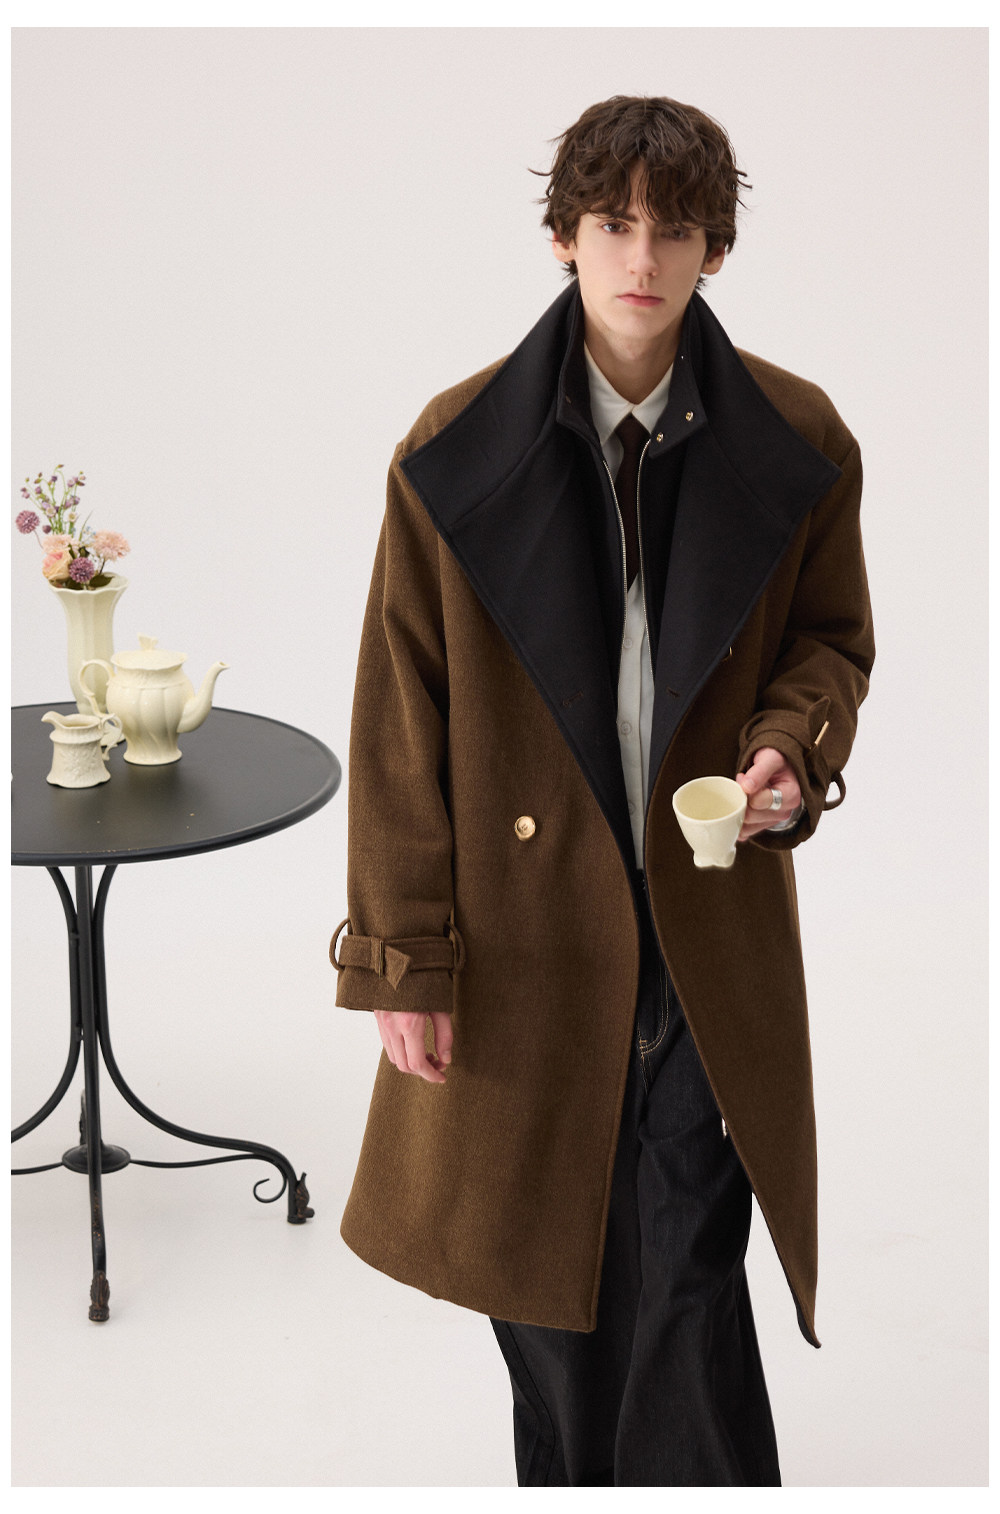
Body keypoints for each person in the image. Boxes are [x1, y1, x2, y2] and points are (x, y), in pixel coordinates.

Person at [330, 94, 875, 1486]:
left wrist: (790, 745)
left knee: (689, 1263)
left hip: (704, 917)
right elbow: (401, 714)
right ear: (565, 234)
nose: (644, 255)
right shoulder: (455, 447)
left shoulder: (797, 438)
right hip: (523, 934)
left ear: (714, 249)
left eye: (675, 228)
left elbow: (830, 640)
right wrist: (404, 957)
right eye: (615, 222)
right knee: (546, 1283)